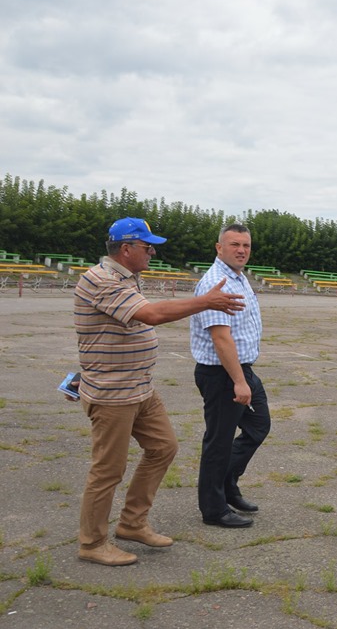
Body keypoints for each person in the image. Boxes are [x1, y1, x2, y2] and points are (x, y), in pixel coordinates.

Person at [72, 217, 246, 566]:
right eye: (147, 246)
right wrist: (205, 302)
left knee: (163, 447)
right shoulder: (101, 279)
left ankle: (132, 523)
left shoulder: (126, 278)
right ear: (126, 249)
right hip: (114, 394)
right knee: (108, 470)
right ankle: (92, 543)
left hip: (139, 388)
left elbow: (99, 333)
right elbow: (151, 315)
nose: (152, 251)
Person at [190, 224, 270, 528]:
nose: (241, 250)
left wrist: (243, 376)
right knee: (218, 442)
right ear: (218, 248)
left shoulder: (239, 278)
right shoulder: (217, 282)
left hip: (241, 369)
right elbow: (220, 338)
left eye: (246, 245)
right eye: (234, 244)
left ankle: (228, 485)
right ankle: (213, 509)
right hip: (221, 373)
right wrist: (238, 381)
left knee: (258, 425)